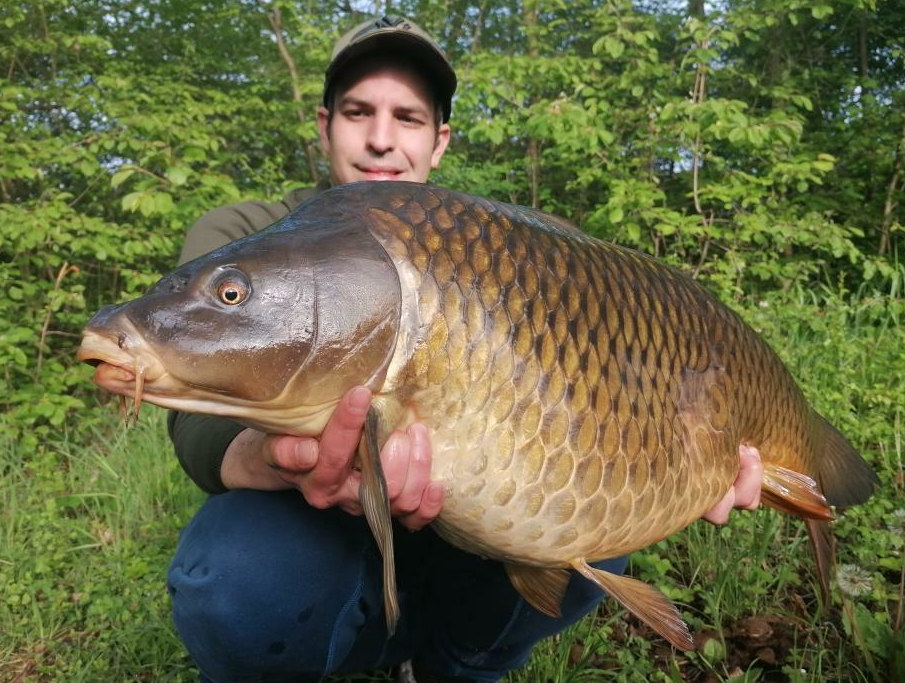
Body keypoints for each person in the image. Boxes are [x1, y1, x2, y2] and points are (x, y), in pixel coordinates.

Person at [166, 15, 764, 683]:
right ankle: (345, 645)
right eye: (359, 111)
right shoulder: (247, 231)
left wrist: (695, 451)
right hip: (316, 531)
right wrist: (267, 457)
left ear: (439, 139)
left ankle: (456, 665)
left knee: (588, 527)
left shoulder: (509, 248)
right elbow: (191, 407)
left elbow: (614, 384)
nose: (381, 138)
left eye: (408, 117)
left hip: (479, 532)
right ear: (324, 122)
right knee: (231, 579)